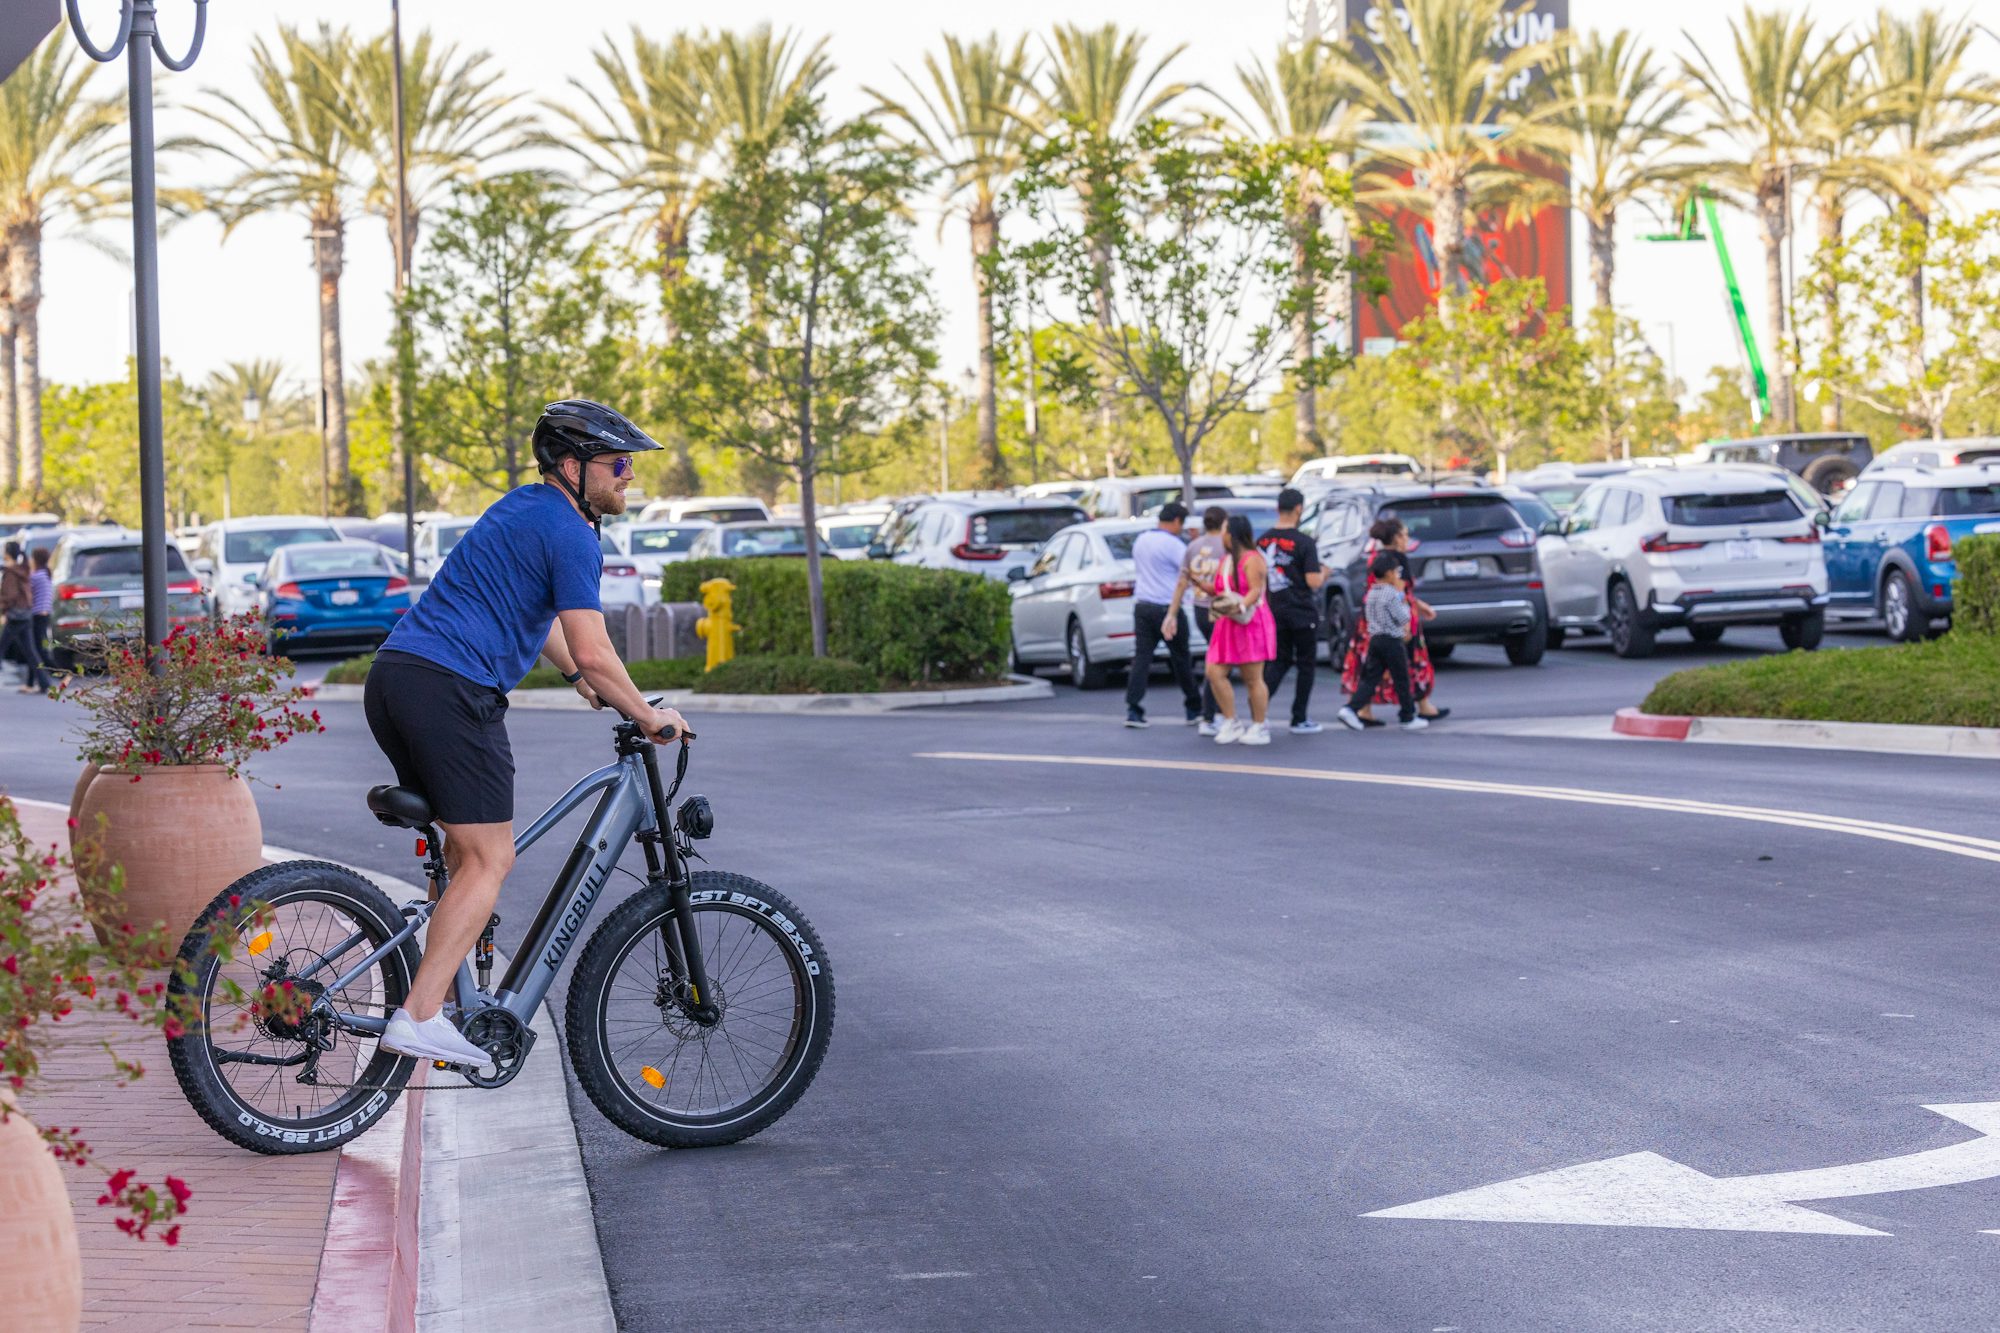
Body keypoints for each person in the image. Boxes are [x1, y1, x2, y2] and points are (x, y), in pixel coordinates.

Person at [363, 399, 691, 1067]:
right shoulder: (572, 532)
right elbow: (595, 647)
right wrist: (645, 713)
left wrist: (577, 677)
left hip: (398, 678)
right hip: (453, 689)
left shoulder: (521, 509)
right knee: (492, 858)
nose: (629, 474)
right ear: (573, 467)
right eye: (618, 463)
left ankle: (441, 1003)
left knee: (465, 855)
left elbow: (537, 619)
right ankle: (419, 1015)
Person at [1346, 517, 1448, 725]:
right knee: (1407, 665)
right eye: (1405, 535)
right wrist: (1409, 618)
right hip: (1395, 619)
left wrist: (1418, 605)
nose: (1407, 539)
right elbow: (1402, 591)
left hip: (1372, 620)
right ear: (1397, 537)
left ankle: (1364, 708)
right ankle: (1414, 710)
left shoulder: (1375, 557)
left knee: (1372, 668)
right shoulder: (1397, 560)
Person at [1123, 502, 1202, 728]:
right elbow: (1191, 571)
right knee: (1181, 659)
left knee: (1142, 659)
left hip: (1143, 606)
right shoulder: (1173, 545)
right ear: (1177, 521)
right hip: (1168, 608)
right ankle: (1193, 708)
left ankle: (1134, 709)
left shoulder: (1142, 540)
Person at [1256, 488, 1326, 734]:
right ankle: (1299, 717)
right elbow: (1313, 581)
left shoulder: (1262, 541)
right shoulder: (1304, 542)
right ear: (1299, 509)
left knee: (1278, 662)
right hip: (1301, 611)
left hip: (1273, 609)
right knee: (1306, 665)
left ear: (1278, 509)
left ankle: (1258, 711)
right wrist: (1325, 572)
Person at [1203, 513, 1276, 745]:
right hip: (1228, 621)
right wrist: (1197, 583)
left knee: (1252, 678)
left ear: (1232, 534)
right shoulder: (1226, 560)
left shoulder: (1252, 559)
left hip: (1249, 622)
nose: (1221, 535)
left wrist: (1241, 605)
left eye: (1224, 531)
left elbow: (1255, 589)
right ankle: (1231, 721)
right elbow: (1219, 589)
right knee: (1214, 672)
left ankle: (1259, 725)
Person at [1338, 552, 1426, 731]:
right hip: (1392, 641)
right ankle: (1407, 716)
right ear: (1389, 573)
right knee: (1402, 678)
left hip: (1376, 639)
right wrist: (1402, 597)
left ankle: (1351, 708)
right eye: (1396, 571)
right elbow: (1403, 617)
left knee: (1370, 679)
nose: (1398, 575)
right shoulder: (1391, 593)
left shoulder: (1372, 592)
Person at [1163, 505, 1227, 735]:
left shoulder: (1194, 546)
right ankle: (1210, 715)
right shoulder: (1225, 545)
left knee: (1218, 658)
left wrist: (1172, 612)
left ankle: (1216, 713)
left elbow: (1182, 581)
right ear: (1223, 523)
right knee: (1219, 663)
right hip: (1220, 608)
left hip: (1200, 608)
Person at [0, 541, 50, 695]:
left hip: (15, 615)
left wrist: (3, 611)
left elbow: (9, 595)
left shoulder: (11, 572)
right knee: (30, 652)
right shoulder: (23, 569)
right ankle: (44, 682)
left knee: (2, 647)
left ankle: (43, 682)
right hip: (26, 614)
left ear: (7, 553)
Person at [29, 549, 53, 674]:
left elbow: (27, 591)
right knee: (37, 648)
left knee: (37, 649)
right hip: (45, 614)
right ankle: (32, 680)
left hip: (37, 614)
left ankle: (61, 674)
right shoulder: (45, 574)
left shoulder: (36, 576)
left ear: (36, 560)